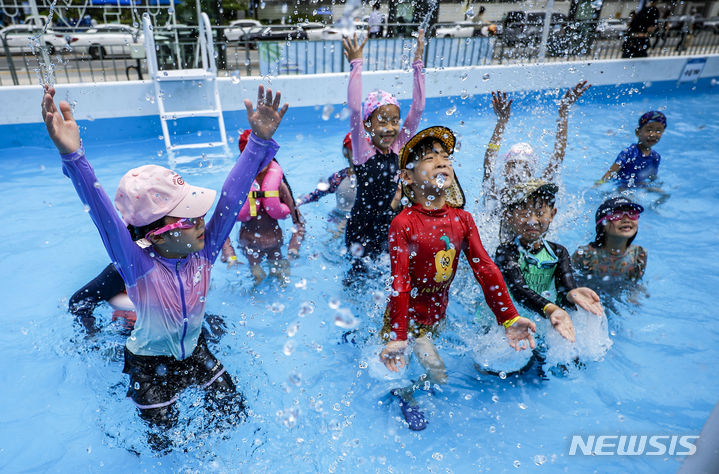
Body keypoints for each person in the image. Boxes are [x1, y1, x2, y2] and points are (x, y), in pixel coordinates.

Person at [42, 84, 288, 450]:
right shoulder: (136, 264)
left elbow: (231, 196)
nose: (204, 220)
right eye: (190, 217)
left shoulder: (203, 252)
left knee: (234, 414)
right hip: (148, 365)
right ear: (157, 236)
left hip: (195, 349)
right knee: (165, 444)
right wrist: (74, 158)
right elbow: (104, 216)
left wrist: (259, 143)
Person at [379, 126, 537, 431]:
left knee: (430, 359)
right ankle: (404, 393)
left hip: (437, 315)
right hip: (406, 319)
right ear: (408, 177)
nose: (442, 162)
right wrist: (398, 335)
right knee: (438, 373)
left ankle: (408, 377)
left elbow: (486, 270)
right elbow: (400, 282)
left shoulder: (462, 220)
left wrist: (509, 317)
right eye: (429, 157)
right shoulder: (403, 223)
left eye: (446, 156)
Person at [342, 31, 425, 277]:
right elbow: (355, 109)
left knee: (393, 274)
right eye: (382, 121)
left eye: (394, 121)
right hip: (361, 227)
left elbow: (418, 108)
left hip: (391, 223)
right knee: (358, 276)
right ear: (368, 125)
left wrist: (418, 64)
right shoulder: (362, 151)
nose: (389, 128)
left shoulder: (399, 146)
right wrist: (357, 64)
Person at [495, 180, 604, 343]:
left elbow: (564, 288)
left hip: (542, 318)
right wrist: (551, 309)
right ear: (509, 216)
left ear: (552, 215)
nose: (532, 221)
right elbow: (518, 290)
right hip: (508, 323)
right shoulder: (505, 252)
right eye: (524, 214)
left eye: (539, 213)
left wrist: (573, 295)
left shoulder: (558, 252)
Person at [482, 82, 590, 243]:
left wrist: (563, 114)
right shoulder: (496, 196)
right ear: (504, 170)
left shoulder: (538, 192)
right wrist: (501, 123)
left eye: (525, 167)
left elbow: (557, 159)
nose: (518, 171)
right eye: (512, 165)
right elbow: (488, 164)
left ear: (532, 173)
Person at [221, 129, 305, 284]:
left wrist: (293, 248)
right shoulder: (239, 188)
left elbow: (298, 220)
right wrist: (231, 257)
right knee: (257, 279)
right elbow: (221, 227)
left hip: (275, 244)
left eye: (264, 155)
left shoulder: (278, 186)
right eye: (254, 158)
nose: (261, 161)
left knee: (282, 277)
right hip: (249, 246)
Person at [572, 197, 647, 284]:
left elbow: (633, 287)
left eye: (632, 213)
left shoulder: (638, 254)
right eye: (617, 215)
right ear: (603, 224)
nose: (626, 219)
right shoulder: (585, 255)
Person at [296, 132, 356, 237]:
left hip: (358, 218)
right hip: (338, 217)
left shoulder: (372, 177)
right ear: (346, 153)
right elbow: (317, 194)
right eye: (355, 150)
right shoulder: (339, 177)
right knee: (332, 239)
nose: (360, 153)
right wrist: (297, 203)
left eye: (364, 149)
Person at [596, 110, 666, 188]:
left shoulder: (655, 157)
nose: (653, 134)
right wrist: (599, 184)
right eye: (649, 130)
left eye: (658, 131)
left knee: (664, 196)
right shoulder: (629, 153)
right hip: (621, 186)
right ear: (637, 132)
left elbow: (652, 176)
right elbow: (610, 173)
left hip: (639, 185)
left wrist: (655, 185)